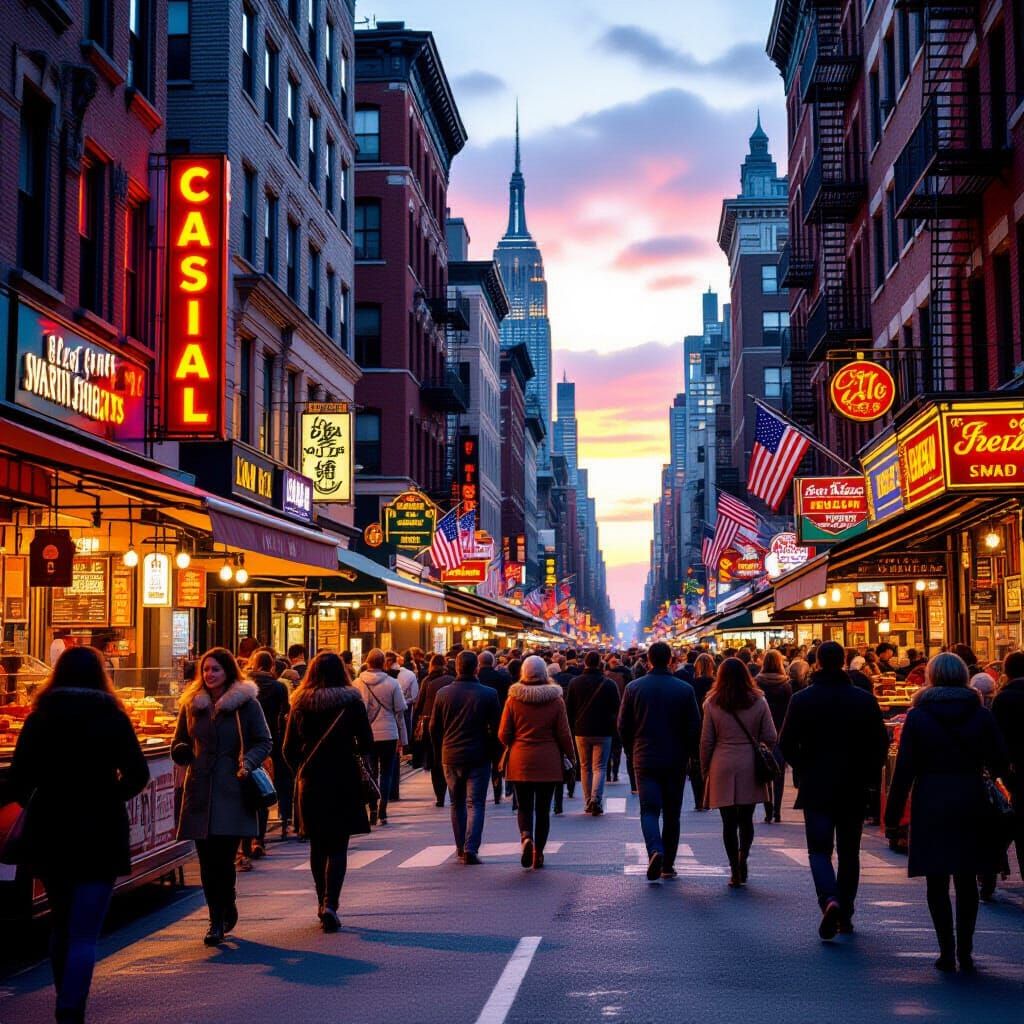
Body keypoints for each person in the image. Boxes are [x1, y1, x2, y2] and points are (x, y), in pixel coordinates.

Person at [9, 646, 149, 1024]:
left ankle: (64, 995)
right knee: (85, 932)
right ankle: (71, 1007)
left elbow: (18, 780)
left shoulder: (39, 718)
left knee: (61, 921)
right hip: (100, 831)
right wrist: (109, 795)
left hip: (51, 830)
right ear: (101, 675)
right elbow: (138, 774)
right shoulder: (113, 718)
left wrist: (43, 798)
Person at [885, 653, 1010, 972]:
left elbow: (904, 770)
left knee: (936, 879)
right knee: (967, 878)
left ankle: (946, 949)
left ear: (932, 677)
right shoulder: (981, 714)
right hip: (971, 797)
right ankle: (966, 949)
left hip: (931, 798)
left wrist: (892, 816)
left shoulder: (918, 716)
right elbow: (999, 761)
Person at [779, 641, 888, 940]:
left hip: (816, 784)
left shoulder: (802, 699)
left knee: (819, 849)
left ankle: (830, 899)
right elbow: (879, 745)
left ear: (817, 663)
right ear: (843, 662)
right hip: (853, 784)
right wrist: (868, 775)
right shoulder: (864, 700)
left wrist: (804, 766)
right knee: (849, 852)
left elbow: (785, 743)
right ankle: (846, 912)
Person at [172, 647, 272, 946]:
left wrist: (247, 762)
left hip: (232, 788)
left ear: (228, 671)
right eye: (205, 669)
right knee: (206, 860)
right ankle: (215, 920)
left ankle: (227, 901)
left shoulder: (246, 704)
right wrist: (181, 751)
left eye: (215, 669)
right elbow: (180, 740)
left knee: (224, 859)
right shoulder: (192, 704)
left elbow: (264, 740)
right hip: (200, 788)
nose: (209, 674)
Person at [283, 652, 374, 932]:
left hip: (312, 780)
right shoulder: (352, 702)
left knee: (317, 844)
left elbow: (288, 748)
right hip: (344, 778)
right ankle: (330, 902)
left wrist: (301, 769)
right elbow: (366, 742)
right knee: (338, 845)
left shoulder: (300, 703)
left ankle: (320, 901)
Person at [617, 641, 701, 881]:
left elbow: (623, 725)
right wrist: (691, 755)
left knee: (649, 810)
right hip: (675, 758)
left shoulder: (634, 688)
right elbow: (694, 727)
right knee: (672, 813)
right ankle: (668, 865)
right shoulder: (685, 689)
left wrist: (631, 749)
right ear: (671, 660)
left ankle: (655, 849)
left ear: (648, 661)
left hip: (644, 756)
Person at [700, 658, 777, 886]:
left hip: (722, 762)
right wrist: (760, 747)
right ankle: (744, 857)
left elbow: (706, 741)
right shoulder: (759, 701)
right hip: (749, 762)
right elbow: (771, 735)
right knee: (746, 819)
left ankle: (734, 869)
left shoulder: (712, 703)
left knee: (728, 822)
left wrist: (705, 768)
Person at [499, 655, 575, 869]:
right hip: (548, 761)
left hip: (520, 760)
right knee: (543, 810)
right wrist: (571, 756)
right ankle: (538, 853)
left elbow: (503, 733)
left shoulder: (513, 700)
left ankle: (526, 837)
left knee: (524, 806)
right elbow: (564, 734)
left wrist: (516, 742)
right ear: (545, 673)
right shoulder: (556, 700)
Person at [430, 650, 501, 863]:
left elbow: (434, 727)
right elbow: (496, 729)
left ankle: (460, 847)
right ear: (476, 668)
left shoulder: (442, 694)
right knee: (476, 803)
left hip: (450, 753)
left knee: (456, 803)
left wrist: (438, 751)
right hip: (479, 754)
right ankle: (471, 848)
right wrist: (496, 756)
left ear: (456, 668)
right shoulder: (489, 694)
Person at [244, 650, 290, 857]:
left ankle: (248, 840)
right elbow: (285, 711)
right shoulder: (279, 687)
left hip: (247, 743)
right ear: (272, 666)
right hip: (272, 741)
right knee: (266, 786)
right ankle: (261, 837)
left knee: (248, 789)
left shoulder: (244, 686)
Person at [353, 649, 406, 826]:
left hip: (366, 734)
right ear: (383, 663)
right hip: (389, 732)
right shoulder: (392, 683)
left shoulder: (357, 683)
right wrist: (403, 738)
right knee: (387, 772)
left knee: (370, 772)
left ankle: (373, 807)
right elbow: (400, 711)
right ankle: (383, 808)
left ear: (367, 662)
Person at [565, 652, 621, 814]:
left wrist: (572, 727)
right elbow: (616, 708)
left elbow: (569, 709)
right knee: (600, 767)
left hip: (581, 730)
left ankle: (588, 800)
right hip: (604, 730)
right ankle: (596, 799)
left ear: (585, 663)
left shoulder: (574, 683)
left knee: (585, 767)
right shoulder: (609, 684)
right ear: (600, 663)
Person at [992, 650, 1024, 881]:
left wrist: (999, 771)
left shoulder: (1003, 698)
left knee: (1017, 819)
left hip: (1015, 769)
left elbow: (996, 739)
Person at [752, 649, 791, 824]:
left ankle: (768, 808)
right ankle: (777, 810)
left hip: (762, 733)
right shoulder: (786, 685)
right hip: (781, 732)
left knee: (765, 770)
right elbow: (789, 711)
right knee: (779, 773)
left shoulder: (757, 683)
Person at [413, 654, 456, 806]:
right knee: (448, 760)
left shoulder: (427, 681)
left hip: (431, 725)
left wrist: (415, 723)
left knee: (435, 761)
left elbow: (419, 704)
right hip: (449, 724)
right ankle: (452, 792)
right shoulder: (451, 680)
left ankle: (439, 796)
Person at [478, 650, 512, 804]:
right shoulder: (502, 678)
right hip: (498, 724)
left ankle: (480, 791)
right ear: (493, 662)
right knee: (497, 760)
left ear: (479, 663)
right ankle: (497, 792)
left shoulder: (476, 678)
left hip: (478, 726)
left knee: (480, 762)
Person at [384, 650, 418, 803]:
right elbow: (413, 698)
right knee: (391, 763)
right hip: (392, 726)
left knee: (374, 766)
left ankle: (374, 800)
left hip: (372, 729)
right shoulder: (406, 677)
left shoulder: (360, 682)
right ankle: (391, 794)